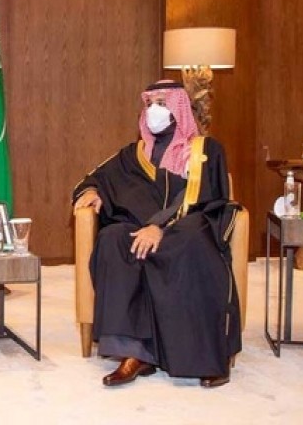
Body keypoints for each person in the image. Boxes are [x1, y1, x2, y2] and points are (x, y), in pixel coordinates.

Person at [72, 80, 241, 388]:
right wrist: (93, 191)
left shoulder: (205, 150)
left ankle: (206, 356)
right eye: (149, 103)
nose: (154, 110)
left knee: (189, 241)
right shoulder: (133, 154)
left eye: (162, 103)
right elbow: (93, 177)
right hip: (142, 230)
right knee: (113, 240)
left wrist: (159, 227)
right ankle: (135, 353)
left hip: (189, 226)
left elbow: (204, 197)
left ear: (179, 108)